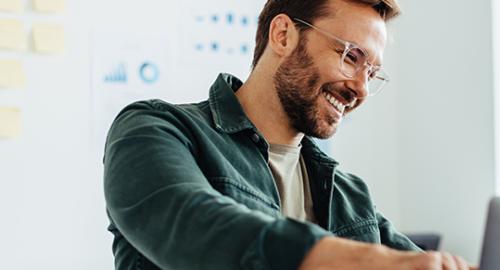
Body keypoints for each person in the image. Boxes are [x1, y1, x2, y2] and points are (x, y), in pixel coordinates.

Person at [103, 0, 473, 269]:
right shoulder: (156, 129)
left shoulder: (349, 193)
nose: (360, 88)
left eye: (372, 73)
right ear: (282, 35)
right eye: (350, 56)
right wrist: (361, 259)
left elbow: (413, 262)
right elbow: (196, 226)